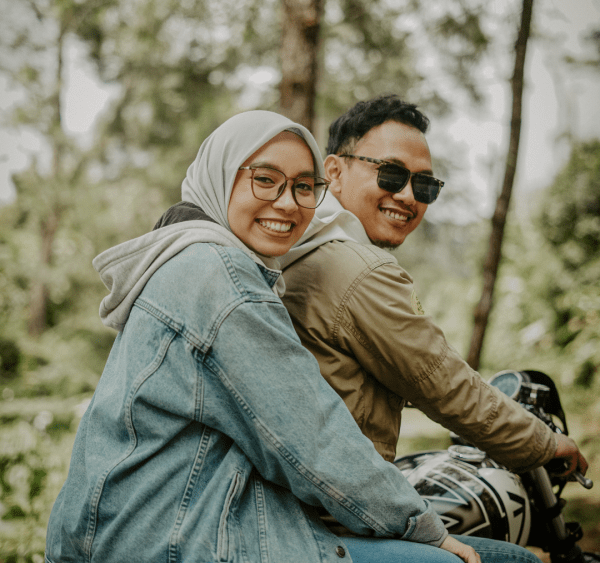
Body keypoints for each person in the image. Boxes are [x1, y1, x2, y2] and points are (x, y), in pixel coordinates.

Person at [45, 110, 495, 563]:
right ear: (222, 177)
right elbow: (313, 438)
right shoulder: (220, 277)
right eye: (265, 180)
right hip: (177, 537)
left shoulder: (184, 260)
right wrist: (421, 526)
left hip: (126, 529)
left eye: (304, 186)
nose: (288, 203)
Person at [275, 96, 589, 529]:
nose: (408, 196)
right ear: (334, 171)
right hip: (333, 519)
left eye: (424, 185)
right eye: (391, 173)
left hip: (295, 499)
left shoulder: (294, 247)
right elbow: (444, 386)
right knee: (517, 560)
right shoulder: (357, 268)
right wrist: (545, 443)